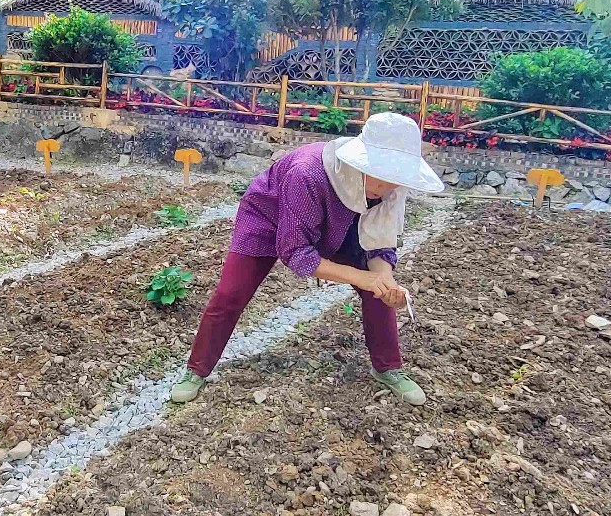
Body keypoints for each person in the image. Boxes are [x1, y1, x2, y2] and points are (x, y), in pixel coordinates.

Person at [171, 112, 444, 405]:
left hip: (341, 221)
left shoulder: (390, 186)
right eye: (385, 176)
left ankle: (389, 368)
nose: (390, 187)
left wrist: (385, 281)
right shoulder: (308, 173)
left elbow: (380, 241)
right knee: (230, 294)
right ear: (364, 161)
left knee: (377, 291)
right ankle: (196, 370)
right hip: (268, 217)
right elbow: (295, 252)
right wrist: (362, 277)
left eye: (396, 179)